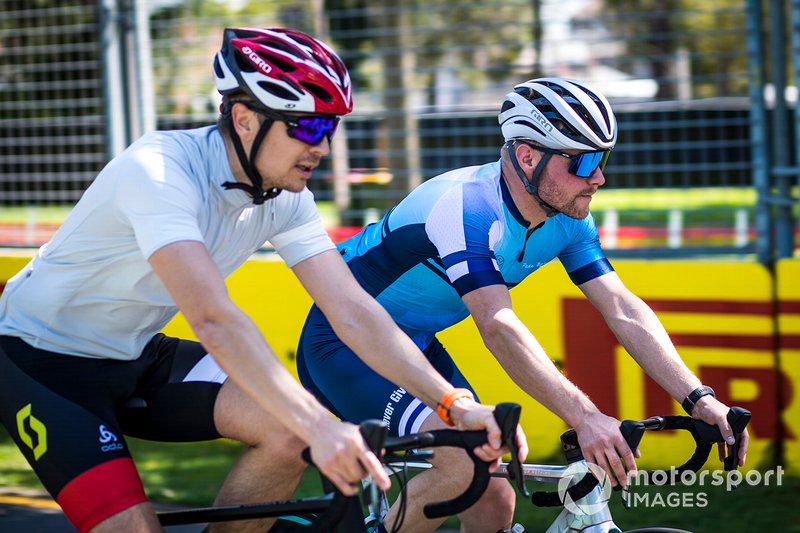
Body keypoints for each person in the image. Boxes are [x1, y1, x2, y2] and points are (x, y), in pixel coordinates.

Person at [0, 27, 526, 533]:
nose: (323, 146)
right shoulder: (159, 172)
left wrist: (451, 403)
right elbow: (214, 319)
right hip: (44, 360)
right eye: (308, 127)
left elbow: (354, 311)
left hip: (137, 352)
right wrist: (322, 429)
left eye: (332, 127)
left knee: (288, 427)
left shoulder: (286, 198)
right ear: (245, 119)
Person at [297, 76, 751, 532]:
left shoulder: (569, 218)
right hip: (342, 344)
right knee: (463, 463)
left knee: (494, 493)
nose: (599, 177)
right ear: (528, 155)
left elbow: (622, 308)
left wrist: (699, 399)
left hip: (411, 346)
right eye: (584, 160)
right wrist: (586, 417)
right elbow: (497, 324)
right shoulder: (465, 206)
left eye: (603, 158)